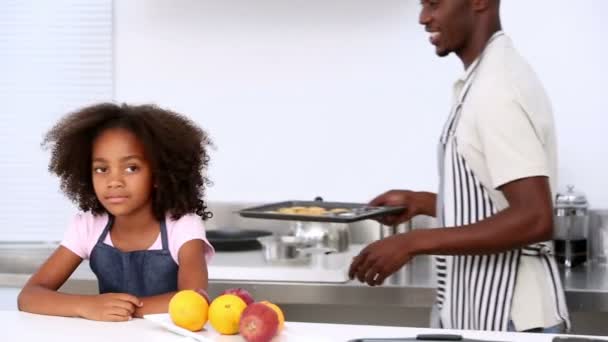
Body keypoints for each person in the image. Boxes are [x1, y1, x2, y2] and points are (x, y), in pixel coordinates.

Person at [349, 0, 570, 333]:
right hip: (488, 311)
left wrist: (412, 242)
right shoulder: (484, 79)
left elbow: (534, 218)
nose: (423, 18)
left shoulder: (497, 89)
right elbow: (498, 201)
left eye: (434, 3)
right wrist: (422, 202)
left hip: (513, 317)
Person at [18, 103, 215, 321]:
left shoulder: (182, 224)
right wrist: (87, 305)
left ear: (159, 174)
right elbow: (29, 296)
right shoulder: (88, 225)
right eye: (101, 169)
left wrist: (123, 309)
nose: (114, 181)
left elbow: (195, 299)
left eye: (131, 168)